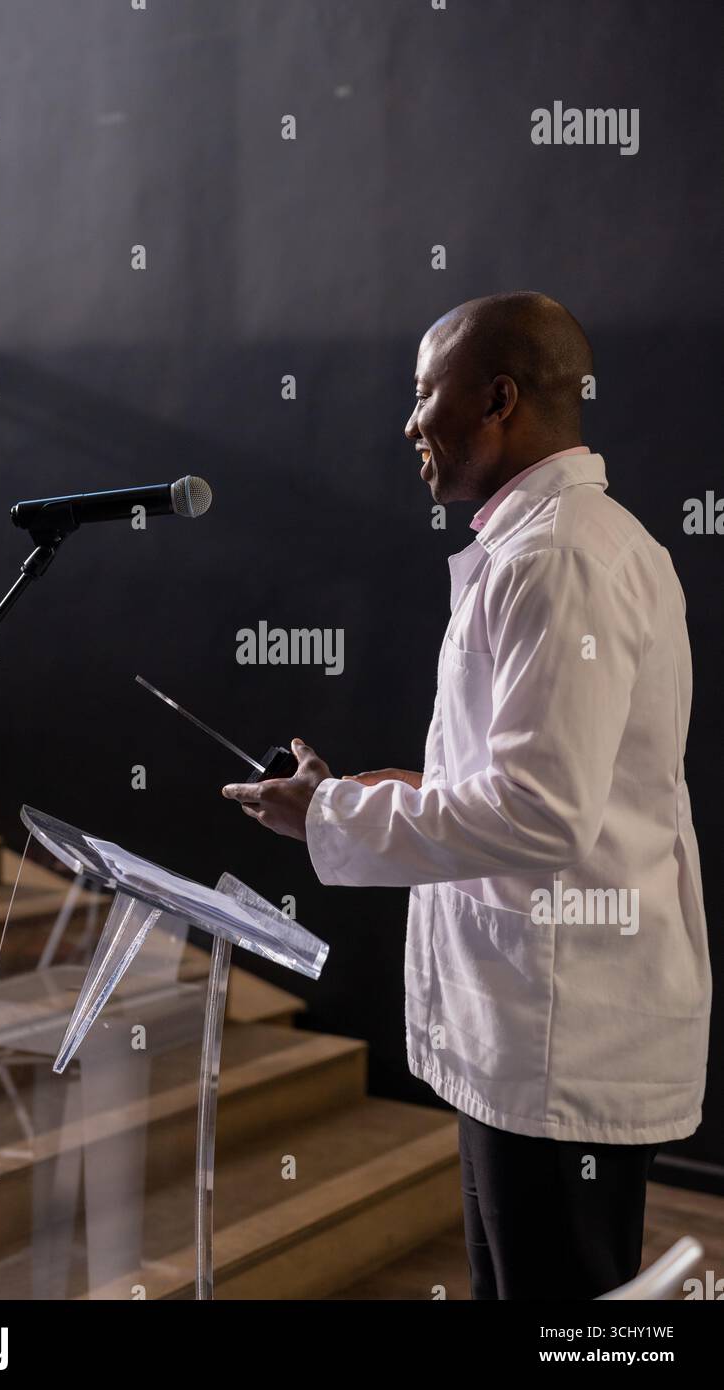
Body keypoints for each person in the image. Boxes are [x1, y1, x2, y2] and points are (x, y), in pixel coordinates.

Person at [221, 291, 712, 1300]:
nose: (409, 423)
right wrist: (417, 787)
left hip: (560, 1036)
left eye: (422, 395)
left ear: (497, 399)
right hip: (538, 1028)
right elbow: (552, 783)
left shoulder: (557, 558)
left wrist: (327, 814)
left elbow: (541, 816)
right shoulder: (567, 543)